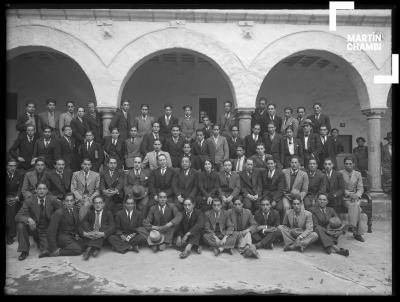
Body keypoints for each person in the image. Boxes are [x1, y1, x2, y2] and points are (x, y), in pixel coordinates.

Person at [15, 182, 61, 260]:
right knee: (21, 225)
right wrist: (28, 219)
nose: (41, 191)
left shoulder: (52, 199)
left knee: (46, 251)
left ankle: (40, 241)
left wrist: (54, 220)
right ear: (35, 190)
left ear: (47, 190)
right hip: (34, 228)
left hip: (47, 229)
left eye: (44, 189)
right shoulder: (29, 200)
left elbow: (61, 211)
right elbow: (17, 216)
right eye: (39, 189)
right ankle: (24, 251)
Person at [339, 156, 366, 242]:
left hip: (356, 197)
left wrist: (357, 195)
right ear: (344, 164)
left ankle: (352, 226)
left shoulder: (358, 174)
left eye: (350, 163)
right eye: (346, 164)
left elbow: (360, 188)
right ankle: (357, 233)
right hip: (345, 198)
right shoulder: (340, 173)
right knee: (358, 209)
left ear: (353, 164)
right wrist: (350, 194)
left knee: (356, 206)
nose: (348, 165)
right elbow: (340, 187)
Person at [80, 196, 115, 261]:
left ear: (103, 204)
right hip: (92, 232)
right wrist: (89, 231)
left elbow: (112, 226)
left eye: (100, 203)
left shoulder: (108, 213)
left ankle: (89, 248)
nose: (98, 205)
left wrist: (103, 233)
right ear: (93, 204)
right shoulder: (90, 212)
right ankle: (95, 248)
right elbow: (83, 222)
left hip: (102, 234)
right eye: (96, 203)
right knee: (92, 232)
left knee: (103, 228)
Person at [6, 159, 25, 245]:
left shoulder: (19, 174)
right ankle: (10, 234)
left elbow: (21, 187)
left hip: (15, 198)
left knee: (12, 207)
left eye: (14, 166)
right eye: (10, 166)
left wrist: (17, 197)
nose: (12, 168)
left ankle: (10, 235)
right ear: (7, 166)